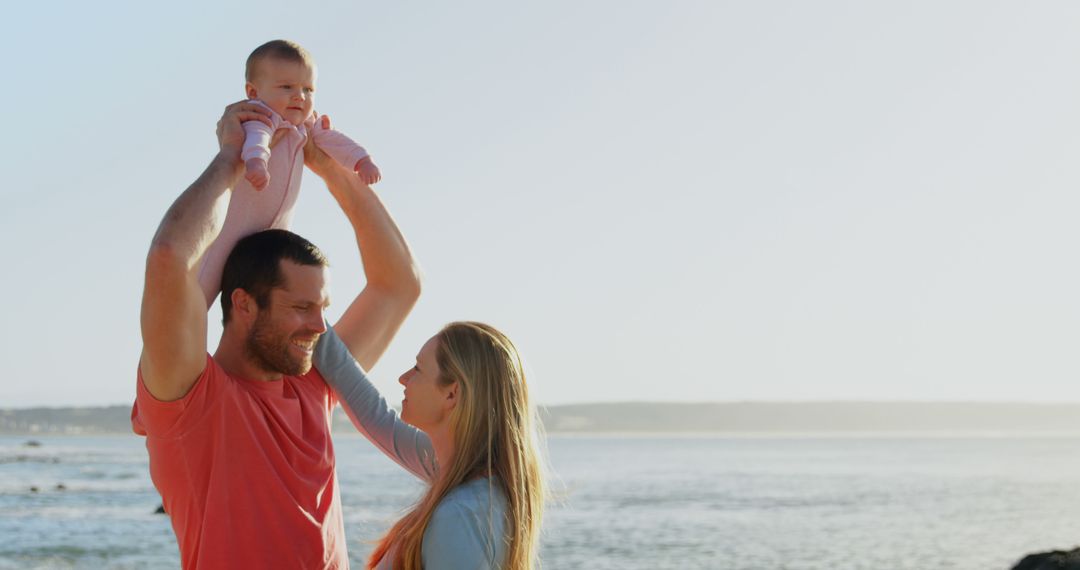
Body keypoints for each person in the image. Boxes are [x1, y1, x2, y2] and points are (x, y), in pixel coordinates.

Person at [131, 100, 420, 569]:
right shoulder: (188, 398)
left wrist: (331, 169)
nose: (318, 326)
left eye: (322, 308)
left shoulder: (317, 382)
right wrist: (230, 158)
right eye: (301, 308)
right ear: (243, 304)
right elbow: (168, 258)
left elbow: (399, 283)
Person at [314, 321, 545, 569]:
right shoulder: (467, 476)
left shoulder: (459, 516)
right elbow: (376, 417)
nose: (403, 378)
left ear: (451, 394)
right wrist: (311, 316)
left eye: (418, 368)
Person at [197, 39, 383, 306]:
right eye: (287, 87)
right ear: (253, 91)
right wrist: (256, 163)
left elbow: (335, 141)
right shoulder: (260, 117)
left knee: (260, 293)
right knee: (206, 280)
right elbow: (256, 140)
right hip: (236, 224)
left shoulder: (307, 126)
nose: (300, 97)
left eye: (308, 89)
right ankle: (190, 340)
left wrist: (362, 160)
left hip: (277, 229)